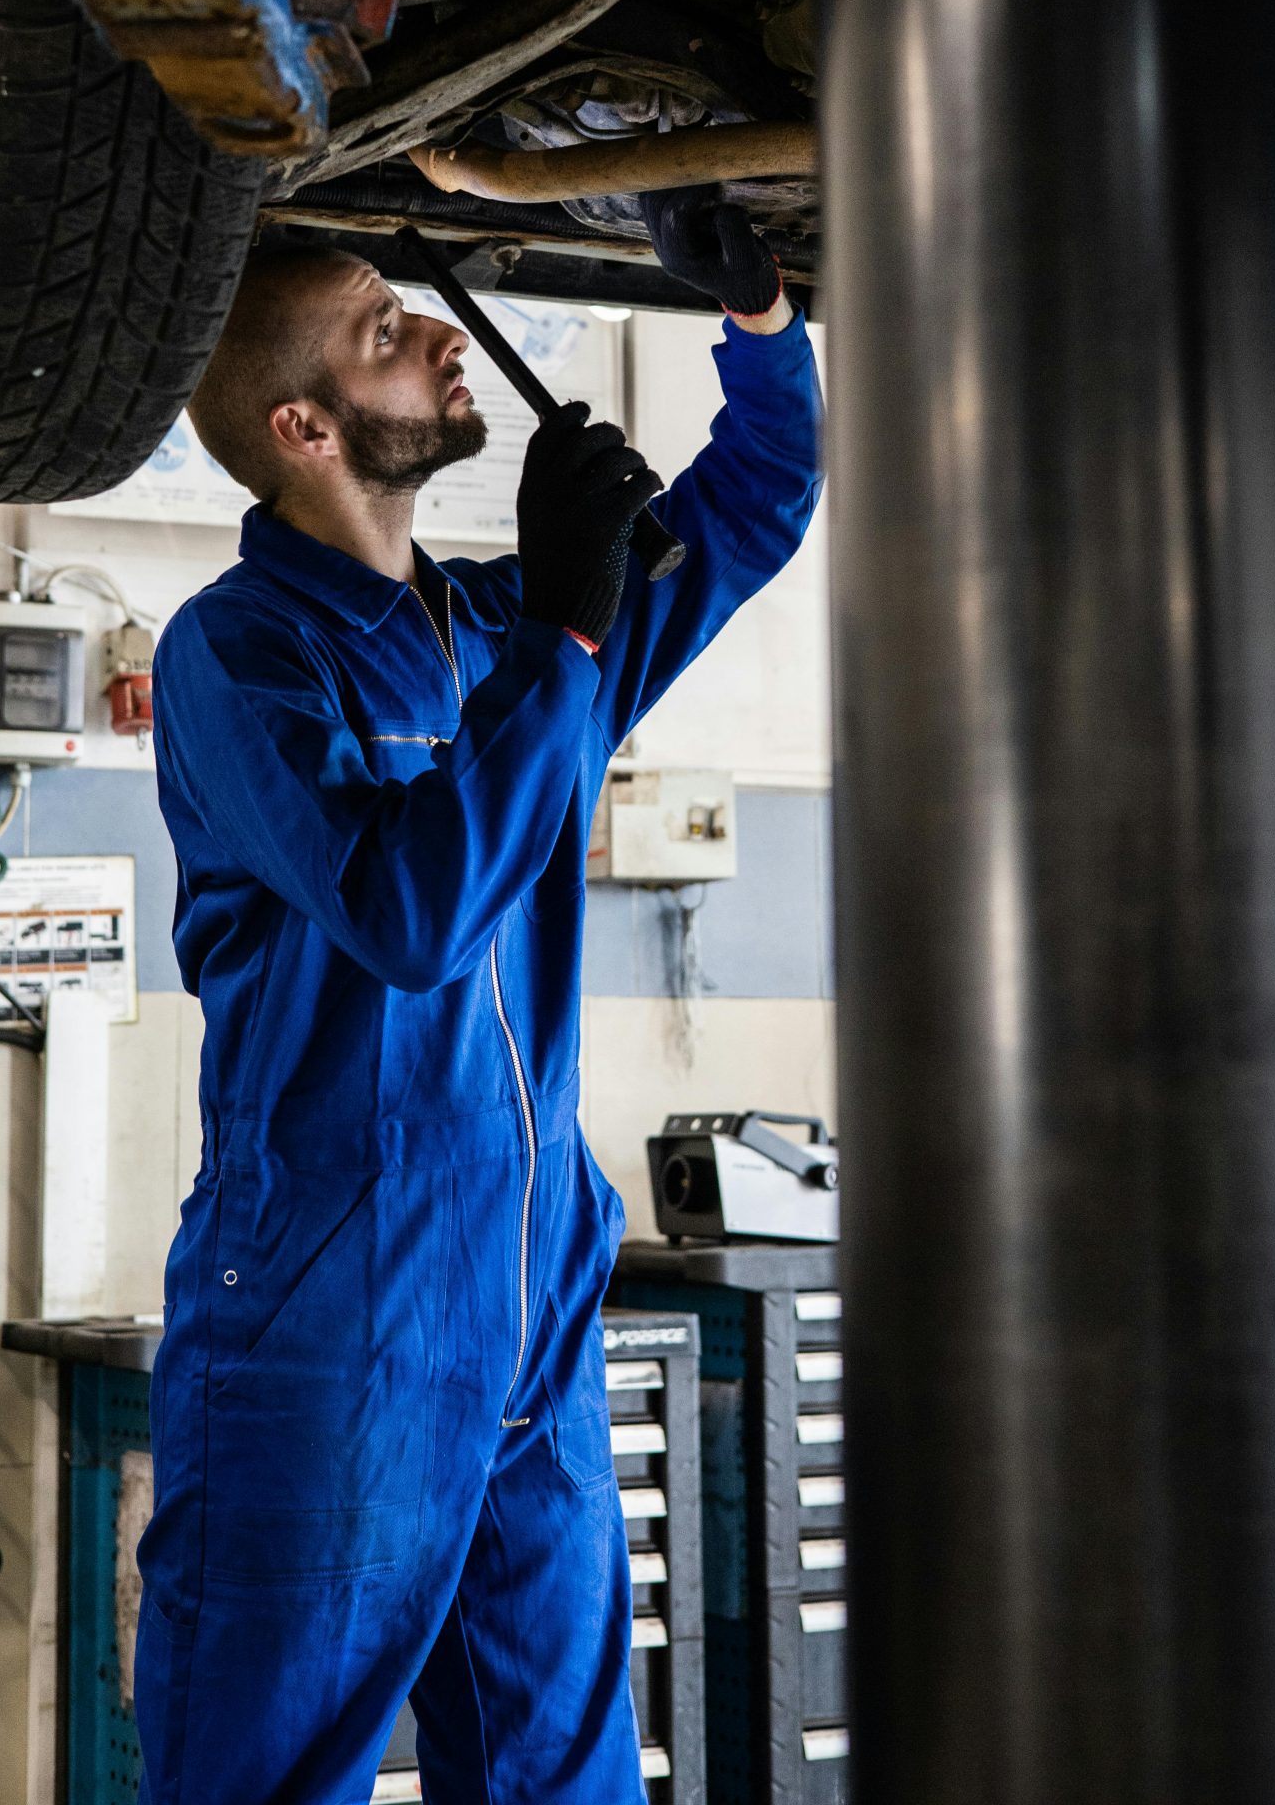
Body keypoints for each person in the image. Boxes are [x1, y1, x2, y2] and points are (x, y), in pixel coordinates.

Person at [134, 187, 823, 1805]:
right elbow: (409, 910)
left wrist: (763, 326)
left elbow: (758, 503)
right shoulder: (236, 656)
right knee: (267, 1773)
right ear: (303, 426)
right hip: (329, 1304)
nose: (436, 333)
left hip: (528, 1291)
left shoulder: (494, 628)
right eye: (385, 332)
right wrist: (572, 621)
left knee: (558, 1775)